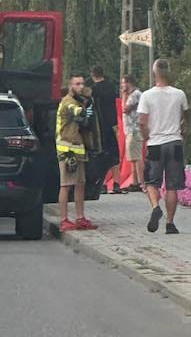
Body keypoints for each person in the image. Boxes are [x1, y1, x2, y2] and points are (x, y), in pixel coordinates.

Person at [137, 59, 188, 234]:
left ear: (154, 73)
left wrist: (146, 137)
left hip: (155, 143)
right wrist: (183, 129)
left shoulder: (147, 95)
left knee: (152, 181)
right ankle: (170, 223)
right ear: (169, 72)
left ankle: (155, 207)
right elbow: (186, 115)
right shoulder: (179, 94)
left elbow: (142, 122)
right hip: (174, 143)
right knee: (172, 186)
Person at [55, 73, 98, 232]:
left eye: (82, 84)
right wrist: (86, 108)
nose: (81, 86)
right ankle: (64, 219)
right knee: (66, 185)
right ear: (70, 85)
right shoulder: (68, 102)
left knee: (80, 184)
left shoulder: (79, 100)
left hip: (78, 148)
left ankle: (80, 218)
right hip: (67, 150)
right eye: (77, 84)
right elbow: (78, 112)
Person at [90, 66, 123, 194]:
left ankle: (102, 184)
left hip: (98, 127)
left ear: (93, 75)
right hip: (111, 125)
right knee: (115, 154)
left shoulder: (93, 90)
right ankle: (116, 183)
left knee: (101, 155)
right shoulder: (111, 87)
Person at [120, 75, 144, 192]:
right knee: (133, 158)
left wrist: (124, 95)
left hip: (134, 130)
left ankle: (141, 182)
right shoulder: (134, 95)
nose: (122, 86)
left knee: (137, 157)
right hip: (130, 130)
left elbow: (125, 109)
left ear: (129, 83)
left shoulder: (135, 95)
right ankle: (135, 182)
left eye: (123, 83)